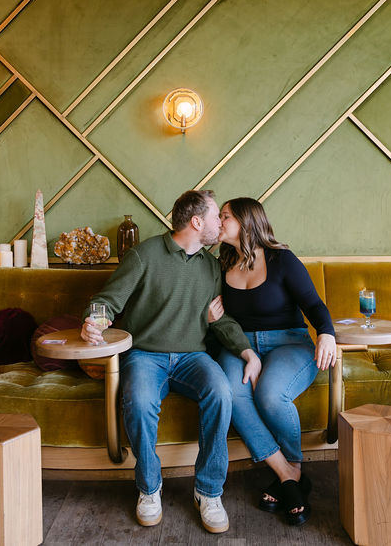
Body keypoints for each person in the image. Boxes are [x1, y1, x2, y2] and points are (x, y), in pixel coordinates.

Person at [80, 189, 261, 534]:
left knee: (221, 392)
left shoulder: (211, 267)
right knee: (139, 401)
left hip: (193, 356)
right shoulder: (143, 255)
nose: (218, 224)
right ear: (196, 222)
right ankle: (149, 488)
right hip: (146, 355)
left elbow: (219, 319)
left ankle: (208, 491)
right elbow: (106, 302)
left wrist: (246, 351)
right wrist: (94, 322)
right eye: (214, 217)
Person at [209, 197, 336, 525]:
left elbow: (314, 304)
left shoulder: (282, 260)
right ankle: (288, 474)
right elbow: (216, 317)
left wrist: (327, 333)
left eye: (225, 216)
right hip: (240, 347)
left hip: (289, 342)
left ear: (246, 222)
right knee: (230, 393)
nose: (218, 221)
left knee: (269, 393)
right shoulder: (221, 262)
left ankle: (292, 466)